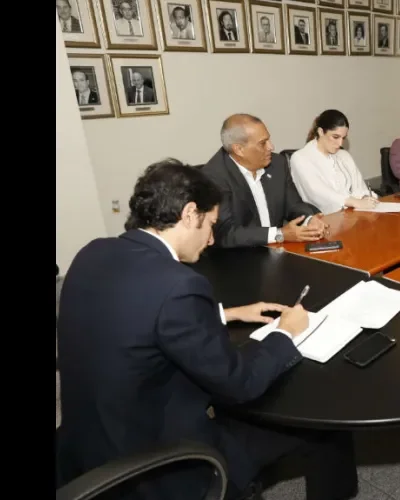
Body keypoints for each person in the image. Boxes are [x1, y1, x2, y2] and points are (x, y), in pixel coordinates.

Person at [55, 160, 359, 500]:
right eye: (210, 224)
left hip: (85, 446)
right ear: (189, 214)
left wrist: (224, 313)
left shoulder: (92, 253)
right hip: (157, 464)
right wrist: (285, 332)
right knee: (325, 429)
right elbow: (240, 384)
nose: (213, 238)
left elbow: (133, 314)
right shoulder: (179, 285)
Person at [201, 113, 329, 248]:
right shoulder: (214, 177)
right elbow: (226, 233)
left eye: (269, 139)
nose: (271, 147)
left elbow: (294, 205)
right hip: (236, 258)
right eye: (263, 143)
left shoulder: (277, 164)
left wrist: (309, 221)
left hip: (277, 251)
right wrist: (279, 234)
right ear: (239, 149)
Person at [290, 110, 378, 214]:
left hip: (352, 215)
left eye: (343, 138)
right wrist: (354, 202)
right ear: (321, 132)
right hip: (321, 220)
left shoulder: (344, 156)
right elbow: (318, 193)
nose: (340, 143)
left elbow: (359, 187)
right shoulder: (301, 158)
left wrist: (365, 197)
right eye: (335, 137)